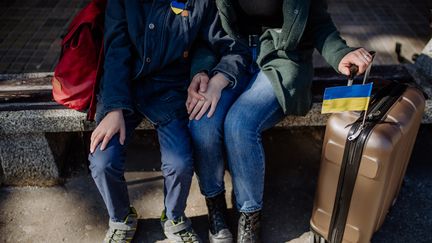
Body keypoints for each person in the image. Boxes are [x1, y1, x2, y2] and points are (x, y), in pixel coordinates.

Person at [187, 0, 373, 242]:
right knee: (203, 122)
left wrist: (340, 53)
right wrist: (201, 70)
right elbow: (205, 31)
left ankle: (249, 216)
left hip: (281, 60)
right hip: (230, 57)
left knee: (240, 123)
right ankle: (216, 207)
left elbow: (318, 21)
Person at [87, 0, 250, 242]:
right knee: (102, 160)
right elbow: (115, 51)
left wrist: (209, 74)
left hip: (171, 92)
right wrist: (114, 108)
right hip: (125, 89)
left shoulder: (201, 3)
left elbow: (224, 45)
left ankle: (173, 217)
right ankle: (121, 218)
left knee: (180, 163)